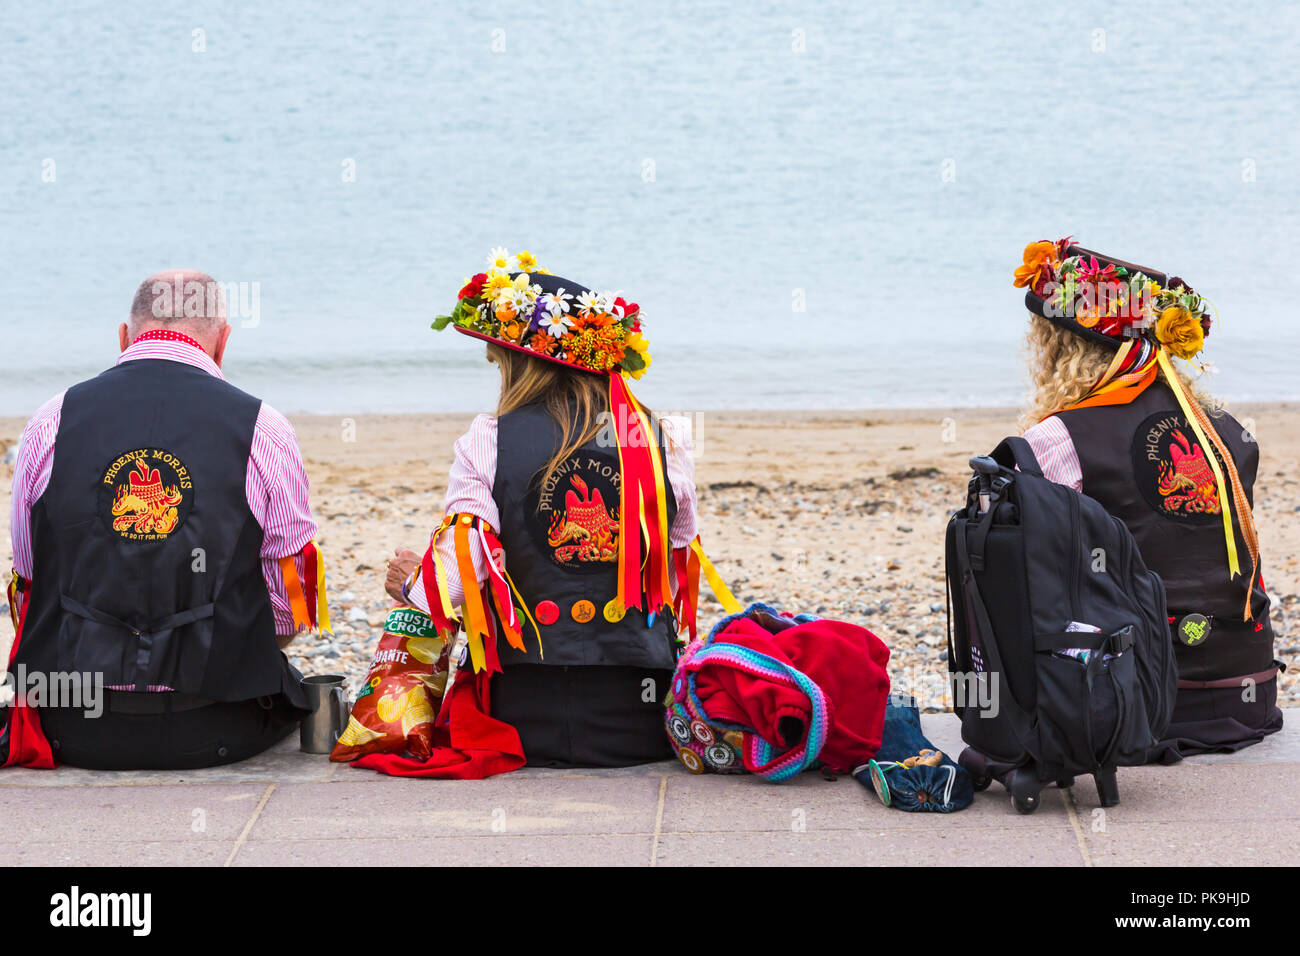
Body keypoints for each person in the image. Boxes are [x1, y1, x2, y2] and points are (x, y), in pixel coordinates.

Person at [379, 248, 718, 772]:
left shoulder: (489, 440)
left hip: (518, 719)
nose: (498, 372)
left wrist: (407, 583)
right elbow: (672, 571)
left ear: (523, 364)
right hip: (639, 720)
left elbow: (449, 588)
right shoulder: (659, 438)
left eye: (499, 361)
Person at [4, 270, 329, 770]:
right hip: (220, 723)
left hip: (71, 724)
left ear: (124, 336)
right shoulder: (264, 427)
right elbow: (290, 603)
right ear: (222, 342)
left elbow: (29, 581)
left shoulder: (51, 420)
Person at [1014, 239, 1281, 762]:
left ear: (1059, 347)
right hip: (1247, 692)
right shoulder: (1229, 433)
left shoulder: (1058, 439)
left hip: (1124, 705)